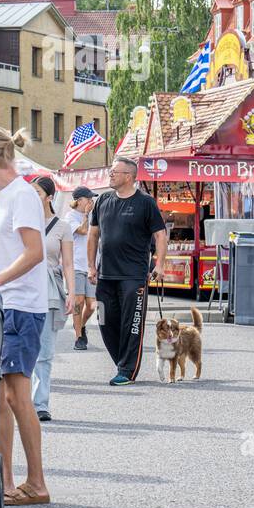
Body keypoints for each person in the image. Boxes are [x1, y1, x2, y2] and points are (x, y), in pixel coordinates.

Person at [0, 127, 49, 506]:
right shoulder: (8, 195)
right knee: (1, 397)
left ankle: (35, 483)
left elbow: (34, 251)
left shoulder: (21, 195)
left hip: (20, 305)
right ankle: (4, 481)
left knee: (18, 397)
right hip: (8, 303)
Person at [87, 157, 168, 386]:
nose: (110, 174)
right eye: (111, 171)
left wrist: (159, 264)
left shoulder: (145, 202)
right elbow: (93, 235)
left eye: (115, 171)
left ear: (129, 176)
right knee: (104, 321)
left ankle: (127, 370)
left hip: (134, 275)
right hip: (105, 274)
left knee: (131, 322)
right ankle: (120, 362)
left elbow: (160, 235)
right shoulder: (102, 200)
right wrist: (91, 266)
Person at [29, 176, 75, 423]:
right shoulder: (23, 222)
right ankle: (22, 403)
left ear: (48, 197)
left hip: (50, 289)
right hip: (25, 289)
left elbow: (67, 263)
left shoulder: (62, 226)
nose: (32, 196)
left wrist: (71, 292)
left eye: (36, 192)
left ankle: (40, 403)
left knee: (45, 351)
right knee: (24, 348)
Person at [66, 187, 98, 349]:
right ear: (79, 200)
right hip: (76, 265)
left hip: (91, 265)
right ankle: (78, 337)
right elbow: (83, 230)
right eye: (88, 198)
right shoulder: (70, 217)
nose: (91, 201)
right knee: (78, 301)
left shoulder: (95, 215)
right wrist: (86, 215)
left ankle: (82, 325)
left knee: (92, 304)